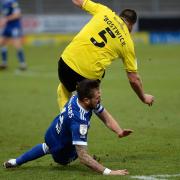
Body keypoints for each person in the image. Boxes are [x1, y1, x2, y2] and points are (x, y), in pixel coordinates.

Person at [4, 79, 133, 176]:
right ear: (87, 100)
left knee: (48, 146)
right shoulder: (79, 122)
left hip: (52, 132)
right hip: (63, 153)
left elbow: (103, 114)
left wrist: (119, 131)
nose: (100, 99)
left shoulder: (77, 97)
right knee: (79, 153)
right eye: (97, 97)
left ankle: (15, 161)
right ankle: (22, 160)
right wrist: (109, 172)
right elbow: (83, 157)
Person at [57, 0, 154, 110]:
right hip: (87, 77)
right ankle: (78, 121)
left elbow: (79, 2)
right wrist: (143, 97)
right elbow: (133, 79)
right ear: (131, 25)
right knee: (90, 102)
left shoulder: (105, 11)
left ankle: (63, 116)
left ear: (119, 15)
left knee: (64, 87)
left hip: (65, 63)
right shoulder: (127, 43)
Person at [0, 0, 27, 70]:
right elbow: (4, 14)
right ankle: (4, 63)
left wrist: (6, 19)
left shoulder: (13, 2)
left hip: (15, 26)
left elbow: (17, 15)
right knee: (2, 43)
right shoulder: (2, 3)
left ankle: (22, 63)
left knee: (17, 44)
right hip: (7, 27)